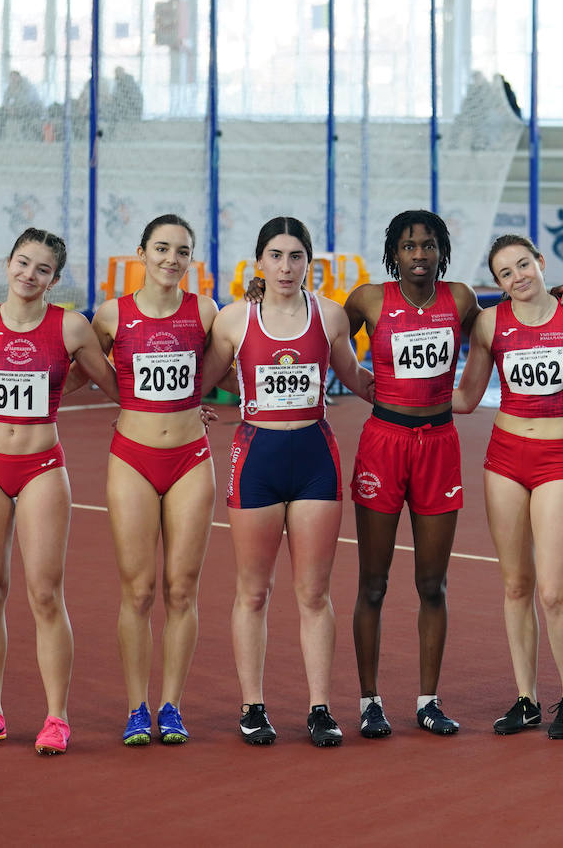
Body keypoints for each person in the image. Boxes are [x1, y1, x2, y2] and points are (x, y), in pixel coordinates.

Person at [0, 227, 118, 755]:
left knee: (45, 593)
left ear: (55, 279)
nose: (29, 274)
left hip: (42, 467)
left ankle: (56, 717)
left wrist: (180, 408)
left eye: (42, 269)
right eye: (22, 262)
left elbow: (116, 386)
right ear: (7, 263)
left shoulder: (71, 328)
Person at [196, 216, 374, 747]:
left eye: (296, 256)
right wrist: (160, 408)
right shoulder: (233, 321)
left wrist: (417, 392)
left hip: (314, 458)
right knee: (253, 592)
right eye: (276, 255)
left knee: (314, 593)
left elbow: (358, 379)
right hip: (257, 459)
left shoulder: (331, 316)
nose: (286, 266)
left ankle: (320, 707)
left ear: (309, 263)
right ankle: (253, 706)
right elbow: (198, 380)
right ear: (259, 262)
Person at [452, 235, 563, 739]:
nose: (518, 276)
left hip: (558, 460)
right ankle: (526, 698)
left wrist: (559, 411)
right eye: (505, 272)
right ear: (496, 283)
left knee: (552, 590)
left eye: (524, 264)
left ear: (541, 263)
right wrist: (385, 388)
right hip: (503, 458)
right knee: (515, 585)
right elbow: (466, 397)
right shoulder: (489, 324)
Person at [344, 210, 480, 738]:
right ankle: (368, 701)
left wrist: (558, 297)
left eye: (427, 245)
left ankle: (427, 700)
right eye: (408, 246)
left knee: (433, 583)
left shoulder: (461, 299)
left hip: (439, 446)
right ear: (393, 253)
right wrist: (358, 382)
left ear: (441, 250)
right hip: (384, 444)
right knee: (372, 584)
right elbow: (320, 334)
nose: (418, 255)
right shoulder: (368, 300)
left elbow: (509, 323)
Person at [92, 214, 220, 746]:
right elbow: (78, 365)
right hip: (132, 459)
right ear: (141, 253)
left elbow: (230, 365)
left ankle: (172, 705)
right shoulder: (110, 315)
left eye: (183, 251)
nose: (172, 259)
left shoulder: (206, 311)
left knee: (182, 589)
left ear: (192, 259)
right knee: (139, 590)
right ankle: (136, 708)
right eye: (162, 248)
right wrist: (129, 402)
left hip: (191, 458)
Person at [0, 71, 42, 140]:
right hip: (15, 110)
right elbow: (5, 101)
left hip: (30, 109)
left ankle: (27, 135)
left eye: (14, 77)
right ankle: (1, 134)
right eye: (11, 78)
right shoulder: (9, 88)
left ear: (19, 78)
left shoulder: (26, 87)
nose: (13, 80)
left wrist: (16, 109)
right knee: (1, 111)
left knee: (26, 111)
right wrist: (8, 108)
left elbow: (26, 102)